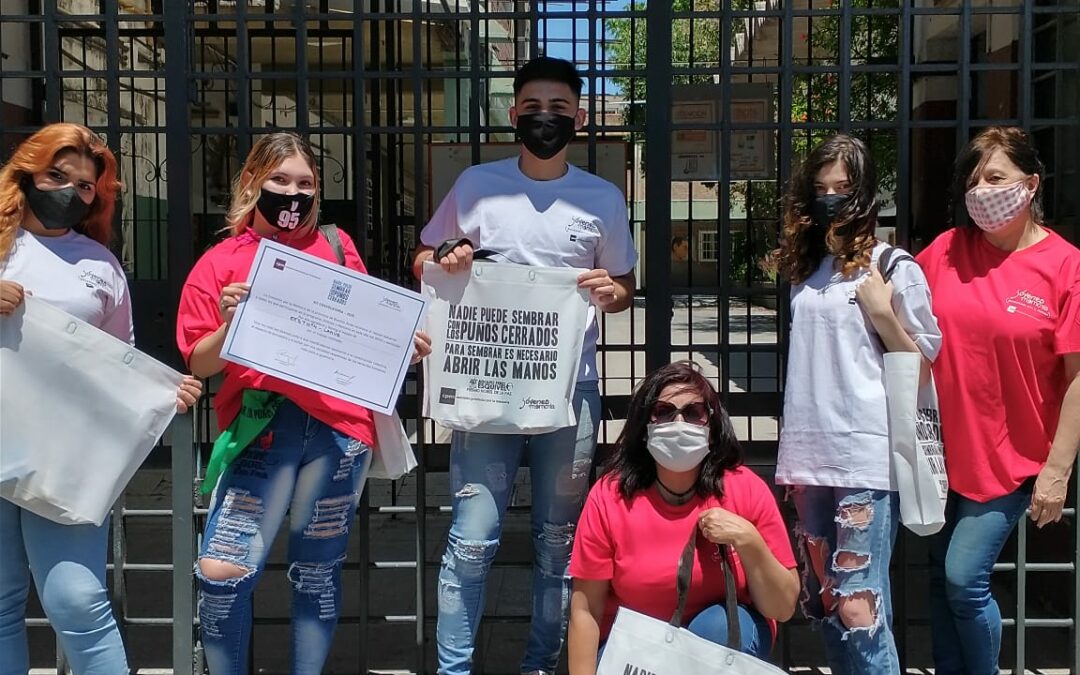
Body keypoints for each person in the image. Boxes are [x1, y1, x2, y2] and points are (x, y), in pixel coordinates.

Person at [413, 56, 637, 675]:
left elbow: (624, 286)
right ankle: (454, 668)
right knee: (471, 541)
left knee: (559, 545)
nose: (546, 118)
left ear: (580, 118)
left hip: (571, 395)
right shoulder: (477, 186)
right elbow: (426, 259)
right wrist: (447, 259)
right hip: (485, 392)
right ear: (513, 114)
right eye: (534, 107)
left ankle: (541, 663)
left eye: (559, 108)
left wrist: (606, 292)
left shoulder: (602, 197)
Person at [176, 131, 430, 675]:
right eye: (280, 181)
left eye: (306, 184)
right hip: (259, 428)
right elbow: (199, 362)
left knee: (316, 571)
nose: (294, 194)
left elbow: (366, 335)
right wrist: (229, 325)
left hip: (340, 432)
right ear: (251, 183)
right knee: (222, 573)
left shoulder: (336, 248)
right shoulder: (218, 263)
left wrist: (402, 347)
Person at [0, 123, 201, 675]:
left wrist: (162, 392)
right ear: (27, 172)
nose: (70, 192)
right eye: (57, 176)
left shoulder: (100, 264)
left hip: (64, 453)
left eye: (85, 186)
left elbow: (118, 361)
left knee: (77, 601)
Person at [773, 134, 941, 675]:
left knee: (857, 605)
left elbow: (926, 364)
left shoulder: (894, 267)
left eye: (843, 188)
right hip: (808, 452)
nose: (831, 198)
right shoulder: (808, 269)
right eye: (821, 189)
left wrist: (884, 313)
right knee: (826, 601)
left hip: (865, 455)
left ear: (865, 193)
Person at [915, 126, 1080, 675]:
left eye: (996, 177)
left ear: (1031, 184)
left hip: (1010, 459)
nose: (982, 190)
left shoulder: (1064, 265)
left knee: (965, 578)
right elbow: (894, 309)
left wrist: (1058, 469)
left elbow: (1078, 375)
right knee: (940, 580)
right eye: (973, 179)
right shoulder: (946, 251)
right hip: (938, 453)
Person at [566, 362, 798, 672]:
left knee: (720, 626)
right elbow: (586, 610)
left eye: (693, 413)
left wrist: (748, 541)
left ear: (712, 427)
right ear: (645, 427)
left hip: (717, 645)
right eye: (663, 411)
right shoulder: (609, 497)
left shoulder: (745, 489)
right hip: (636, 651)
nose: (678, 422)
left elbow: (781, 608)